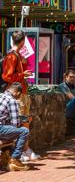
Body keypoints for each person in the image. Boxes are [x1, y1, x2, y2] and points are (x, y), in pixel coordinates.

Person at [1, 30, 40, 162]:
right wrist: (22, 75)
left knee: (24, 121)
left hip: (21, 92)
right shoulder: (11, 56)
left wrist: (23, 70)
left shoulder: (16, 55)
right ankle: (21, 152)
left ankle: (25, 149)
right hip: (16, 94)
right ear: (22, 41)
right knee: (20, 122)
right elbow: (7, 76)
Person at [0, 82, 30, 171]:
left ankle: (6, 158)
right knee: (24, 131)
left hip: (2, 127)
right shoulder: (12, 100)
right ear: (18, 93)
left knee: (11, 132)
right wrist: (24, 120)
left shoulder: (1, 96)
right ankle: (14, 159)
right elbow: (15, 123)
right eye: (20, 96)